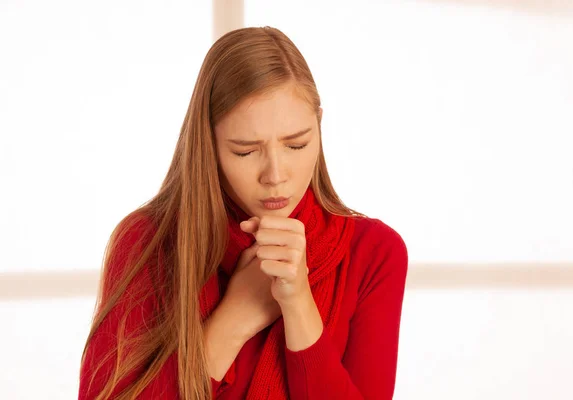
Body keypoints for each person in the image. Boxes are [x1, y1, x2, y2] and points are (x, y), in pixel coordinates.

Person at [78, 26, 408, 400]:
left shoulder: (374, 252)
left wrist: (298, 303)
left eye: (296, 145)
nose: (276, 176)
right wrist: (236, 317)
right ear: (208, 142)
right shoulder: (146, 243)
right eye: (246, 151)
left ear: (319, 124)